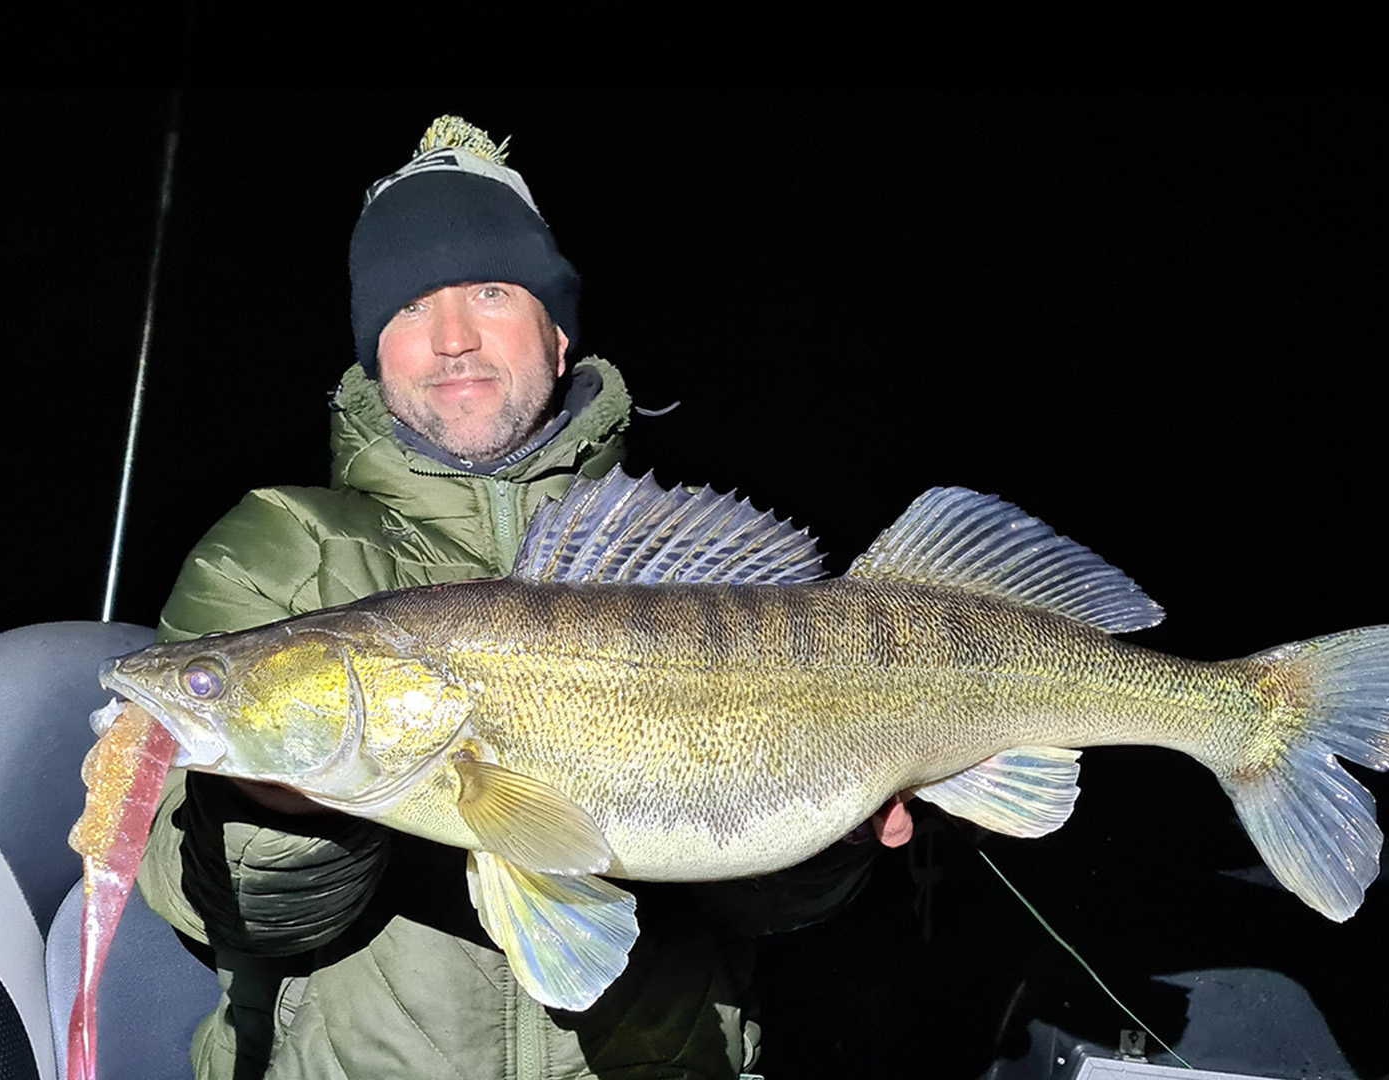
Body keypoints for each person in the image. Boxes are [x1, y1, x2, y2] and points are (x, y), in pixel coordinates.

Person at [136, 116, 877, 1080]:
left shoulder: (679, 560)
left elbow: (774, 906)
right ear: (374, 354)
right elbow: (218, 909)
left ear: (559, 332)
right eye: (407, 309)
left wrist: (834, 834)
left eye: (490, 291)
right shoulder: (278, 552)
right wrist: (279, 814)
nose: (450, 337)